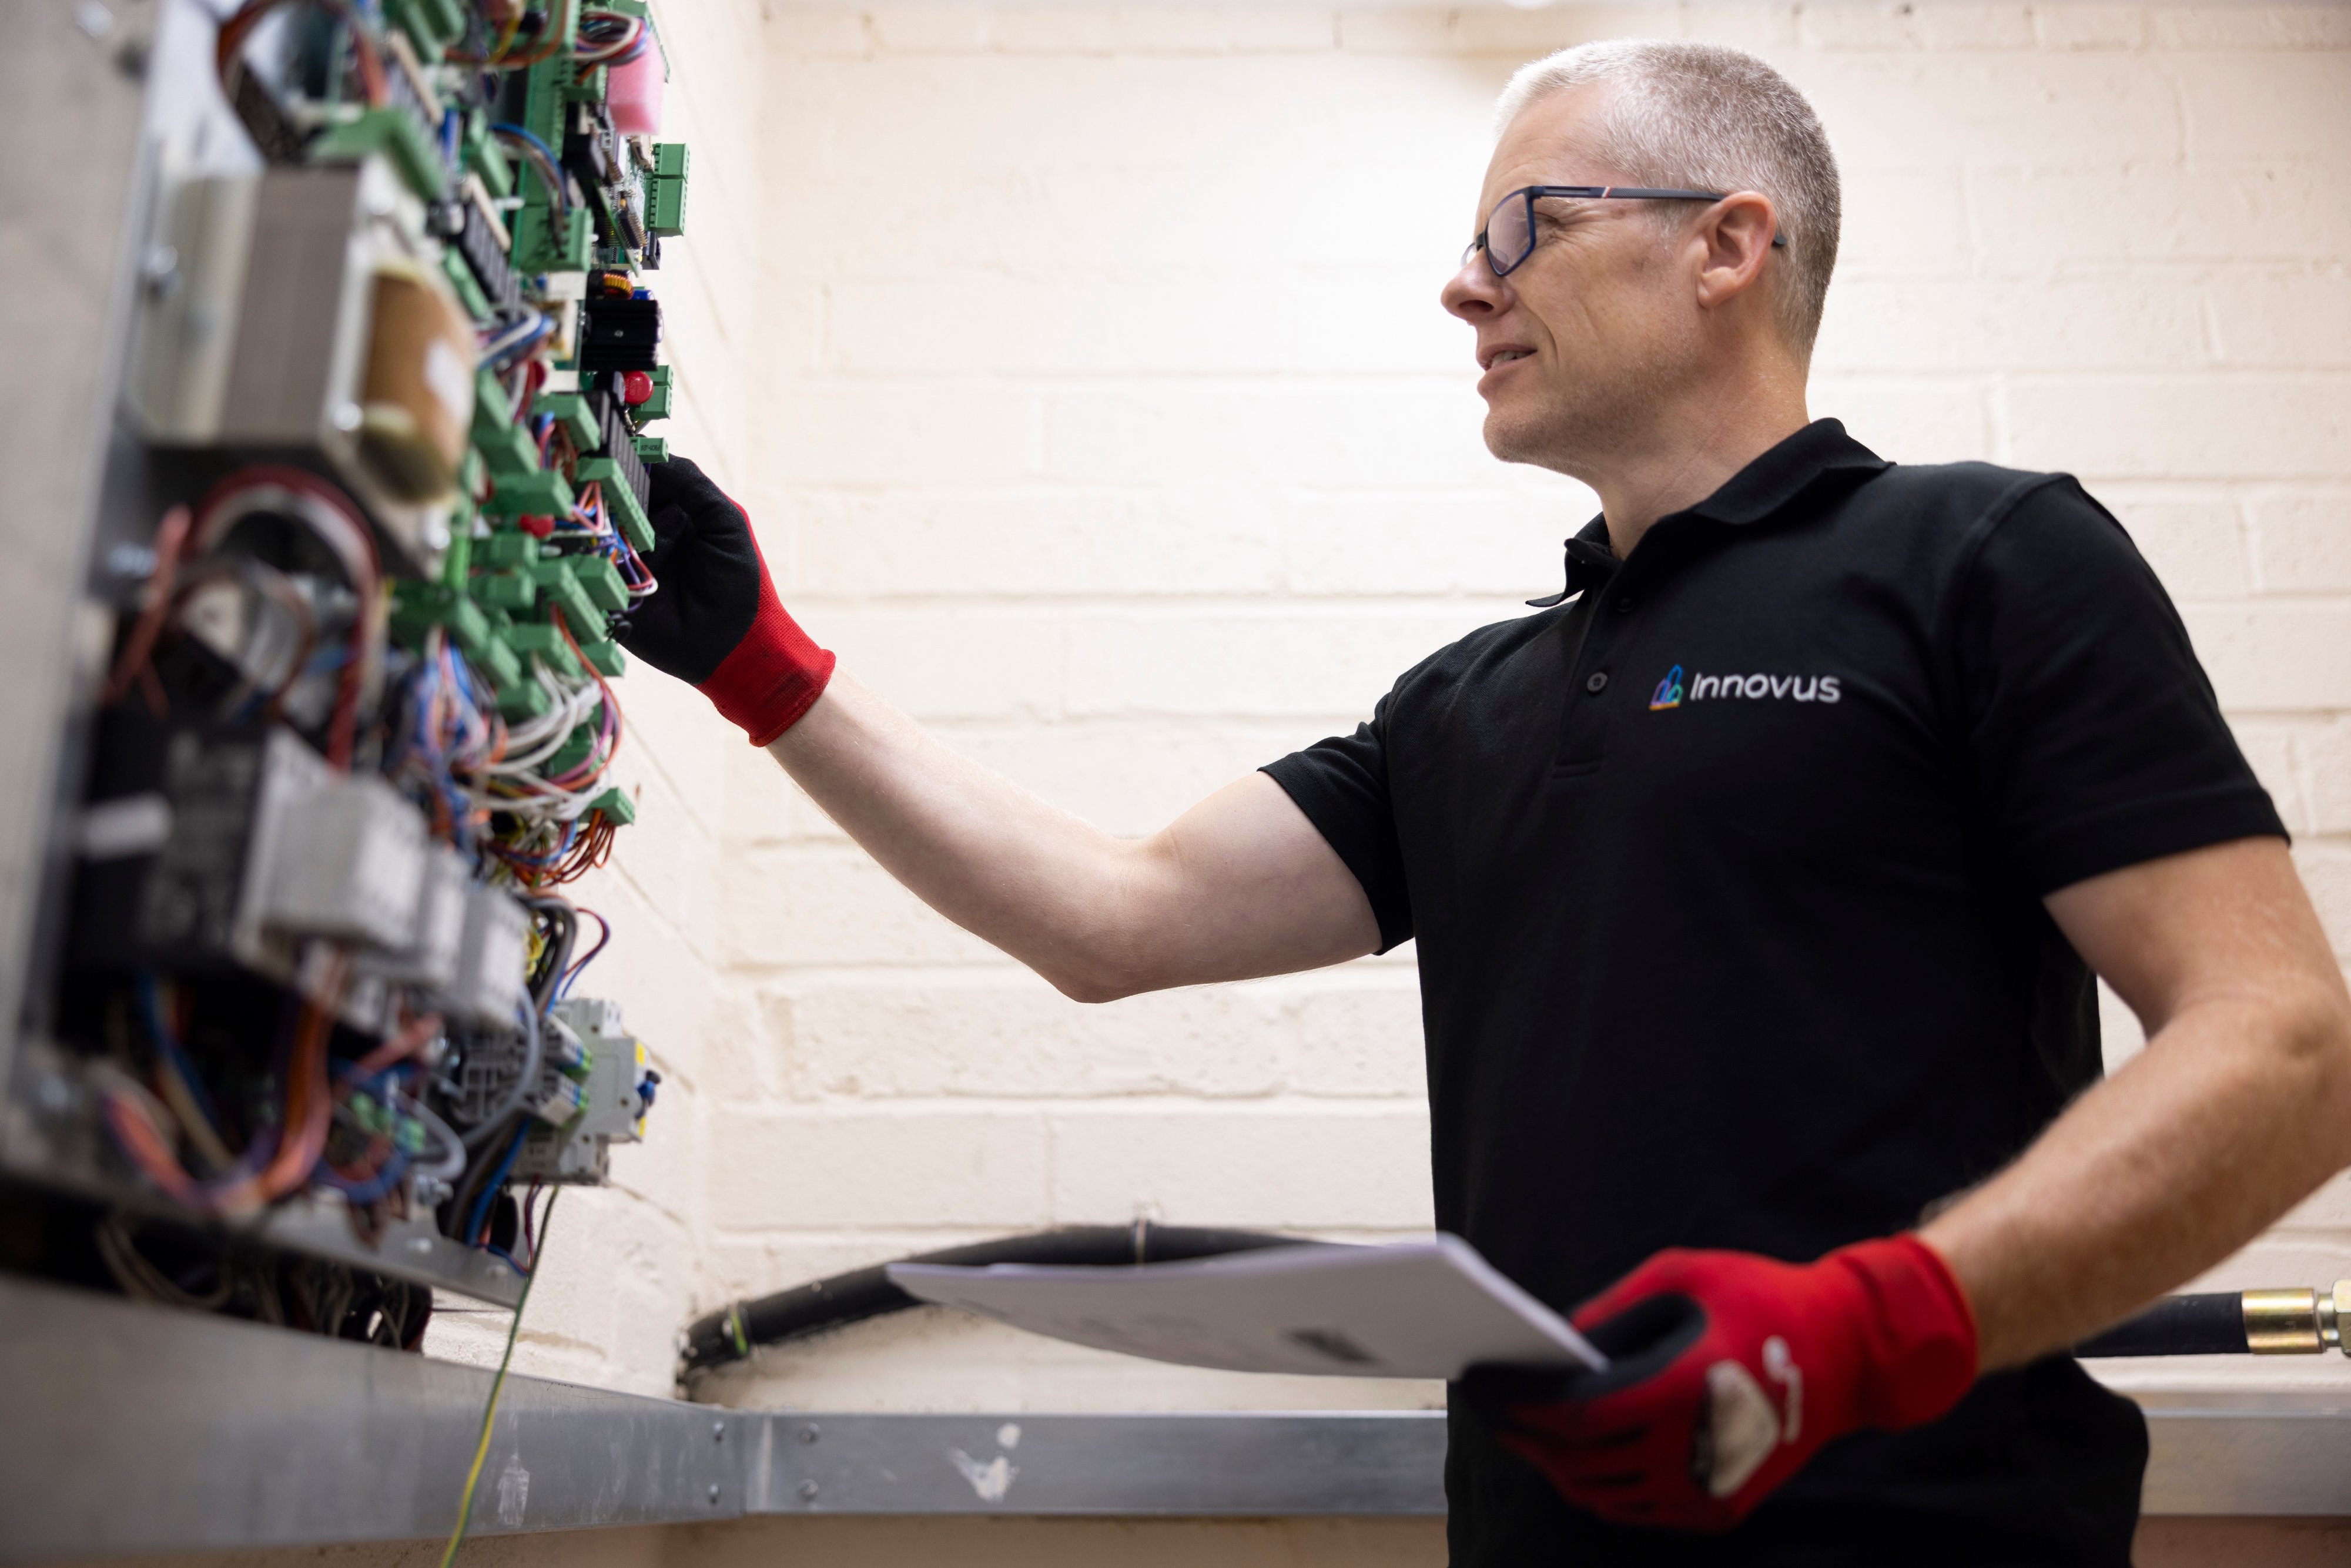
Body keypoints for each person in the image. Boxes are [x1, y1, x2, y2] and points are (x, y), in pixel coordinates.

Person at [618, 39, 2351, 1567]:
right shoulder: (1477, 698)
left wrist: (1861, 1328)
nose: (1466, 288)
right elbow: (1110, 916)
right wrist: (766, 669)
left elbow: (2286, 1047)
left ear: (1727, 244)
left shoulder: (1980, 559)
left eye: (1522, 227)